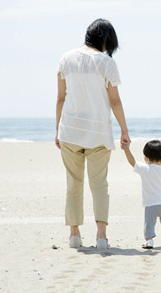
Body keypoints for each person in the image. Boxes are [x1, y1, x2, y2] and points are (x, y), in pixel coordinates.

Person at [55, 19, 130, 250]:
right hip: (98, 132)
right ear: (106, 39)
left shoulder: (66, 58)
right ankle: (101, 236)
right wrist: (124, 130)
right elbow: (114, 100)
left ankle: (75, 235)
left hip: (70, 130)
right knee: (99, 185)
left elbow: (60, 97)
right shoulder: (106, 63)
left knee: (73, 184)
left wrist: (57, 130)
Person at [121, 140, 161, 249]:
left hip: (151, 204)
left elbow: (132, 162)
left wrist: (126, 149)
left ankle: (149, 241)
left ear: (146, 158)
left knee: (149, 224)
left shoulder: (145, 169)